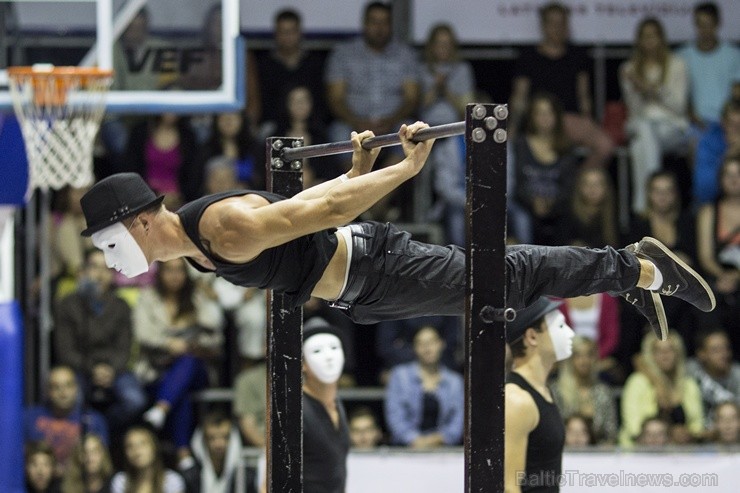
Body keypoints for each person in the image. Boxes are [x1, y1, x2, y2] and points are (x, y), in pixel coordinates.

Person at [79, 122, 716, 348]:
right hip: (364, 291)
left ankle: (633, 266)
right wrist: (359, 169)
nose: (109, 261)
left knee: (505, 277)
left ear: (139, 222)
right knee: (500, 292)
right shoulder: (199, 244)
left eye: (109, 243)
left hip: (378, 269)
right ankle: (617, 276)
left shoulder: (220, 228)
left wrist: (405, 168)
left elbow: (317, 215)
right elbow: (305, 207)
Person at [133, 258, 224, 467]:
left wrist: (191, 338)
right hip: (157, 370)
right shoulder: (148, 298)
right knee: (180, 395)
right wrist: (169, 343)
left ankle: (161, 409)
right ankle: (183, 453)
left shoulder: (196, 297)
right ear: (160, 274)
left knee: (188, 360)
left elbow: (215, 333)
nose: (174, 276)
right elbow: (143, 334)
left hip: (195, 369)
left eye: (179, 271)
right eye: (169, 270)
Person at [53, 249, 147, 433]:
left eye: (106, 269)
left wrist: (110, 369)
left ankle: (102, 429)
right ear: (83, 272)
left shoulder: (120, 306)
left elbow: (124, 348)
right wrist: (92, 369)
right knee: (73, 398)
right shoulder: (69, 304)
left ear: (112, 275)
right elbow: (65, 351)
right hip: (80, 368)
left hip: (114, 369)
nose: (99, 274)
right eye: (94, 267)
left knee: (135, 399)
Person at [510, 2, 613, 169]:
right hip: (537, 119)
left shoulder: (577, 55)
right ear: (543, 25)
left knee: (605, 145)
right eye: (552, 23)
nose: (557, 28)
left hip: (568, 119)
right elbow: (519, 97)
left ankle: (578, 188)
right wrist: (512, 128)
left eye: (561, 23)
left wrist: (587, 121)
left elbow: (584, 95)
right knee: (515, 147)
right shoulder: (528, 56)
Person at [619, 17, 690, 214]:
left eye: (653, 36)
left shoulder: (677, 64)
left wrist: (650, 89)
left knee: (640, 142)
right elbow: (634, 110)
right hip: (642, 123)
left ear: (661, 38)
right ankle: (657, 201)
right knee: (643, 132)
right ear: (638, 40)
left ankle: (643, 204)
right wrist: (636, 89)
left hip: (671, 127)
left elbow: (679, 106)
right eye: (645, 36)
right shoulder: (628, 68)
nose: (649, 41)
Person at [504, 297, 575, 493]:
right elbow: (509, 487)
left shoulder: (542, 391)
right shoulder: (516, 400)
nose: (570, 333)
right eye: (560, 326)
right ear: (532, 337)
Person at [325, 2, 419, 143]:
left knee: (411, 132)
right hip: (352, 123)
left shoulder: (405, 54)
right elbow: (335, 98)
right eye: (374, 22)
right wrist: (357, 122)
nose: (379, 28)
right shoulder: (343, 54)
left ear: (391, 25)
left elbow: (411, 98)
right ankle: (355, 167)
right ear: (364, 23)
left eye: (384, 22)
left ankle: (393, 166)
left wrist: (391, 121)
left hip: (395, 123)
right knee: (338, 132)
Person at [512, 92, 578, 246]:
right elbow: (516, 183)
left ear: (557, 116)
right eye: (540, 113)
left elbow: (569, 186)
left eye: (549, 113)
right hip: (525, 206)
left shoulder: (567, 147)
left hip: (559, 209)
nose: (545, 118)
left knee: (570, 217)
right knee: (521, 220)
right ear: (531, 117)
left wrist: (551, 204)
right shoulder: (520, 145)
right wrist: (533, 202)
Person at [384, 324, 464, 447]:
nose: (427, 348)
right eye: (421, 344)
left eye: (432, 342)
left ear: (441, 344)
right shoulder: (399, 376)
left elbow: (458, 421)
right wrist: (414, 440)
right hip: (405, 449)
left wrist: (440, 439)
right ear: (414, 348)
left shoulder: (455, 381)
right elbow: (395, 417)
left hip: (444, 449)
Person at [619, 332, 704, 447]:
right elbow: (633, 427)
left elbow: (698, 426)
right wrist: (668, 435)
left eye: (670, 350)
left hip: (682, 452)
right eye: (659, 351)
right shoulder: (637, 382)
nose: (665, 355)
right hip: (640, 451)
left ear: (678, 353)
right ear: (650, 355)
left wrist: (687, 434)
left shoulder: (689, 384)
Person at [24, 366, 109, 476]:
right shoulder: (29, 418)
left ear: (76, 388)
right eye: (56, 387)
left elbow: (103, 463)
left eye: (68, 385)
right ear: (48, 391)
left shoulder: (94, 420)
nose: (63, 392)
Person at [257, 8, 328, 131]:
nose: (287, 36)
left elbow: (321, 102)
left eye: (291, 31)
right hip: (274, 124)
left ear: (300, 32)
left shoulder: (315, 63)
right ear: (276, 33)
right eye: (283, 32)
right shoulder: (264, 64)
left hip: (312, 124)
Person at [301, 317, 350, 493]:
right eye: (317, 351)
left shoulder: (337, 404)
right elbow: (269, 480)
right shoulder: (294, 410)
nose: (329, 357)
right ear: (303, 363)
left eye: (334, 348)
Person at [696, 154, 740, 343]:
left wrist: (736, 277)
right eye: (728, 174)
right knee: (707, 301)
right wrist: (723, 275)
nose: (733, 179)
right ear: (720, 179)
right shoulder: (709, 212)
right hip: (718, 276)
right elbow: (705, 256)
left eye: (738, 174)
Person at [677, 2, 740, 129]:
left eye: (708, 24)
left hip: (727, 123)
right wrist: (691, 115)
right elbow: (678, 94)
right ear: (695, 24)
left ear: (717, 24)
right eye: (700, 24)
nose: (704, 29)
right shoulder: (682, 56)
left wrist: (727, 118)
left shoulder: (733, 55)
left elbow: (737, 92)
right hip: (692, 123)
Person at [551, 336, 618, 444]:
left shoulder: (603, 391)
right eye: (578, 355)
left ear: (595, 358)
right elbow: (552, 431)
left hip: (599, 455)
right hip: (564, 453)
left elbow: (611, 433)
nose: (584, 360)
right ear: (570, 359)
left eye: (589, 355)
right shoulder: (557, 391)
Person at [181, 410, 247, 493]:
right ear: (203, 441)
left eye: (225, 437)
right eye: (212, 438)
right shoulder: (190, 476)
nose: (219, 444)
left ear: (233, 439)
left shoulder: (245, 475)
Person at [553, 166, 619, 248]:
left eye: (598, 184)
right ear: (579, 187)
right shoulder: (566, 214)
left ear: (606, 187)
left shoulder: (619, 217)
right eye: (587, 184)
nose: (592, 189)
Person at [686, 328, 740, 425]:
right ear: (701, 354)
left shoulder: (737, 375)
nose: (723, 354)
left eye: (726, 348)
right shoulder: (691, 370)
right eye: (716, 350)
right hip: (697, 435)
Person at [110, 426, 185, 493]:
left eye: (143, 444)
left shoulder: (172, 480)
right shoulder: (121, 481)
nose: (136, 451)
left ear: (154, 448)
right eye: (130, 446)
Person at [694, 99, 740, 205]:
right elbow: (704, 190)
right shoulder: (708, 142)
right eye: (732, 124)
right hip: (715, 204)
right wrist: (728, 156)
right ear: (723, 123)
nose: (737, 130)